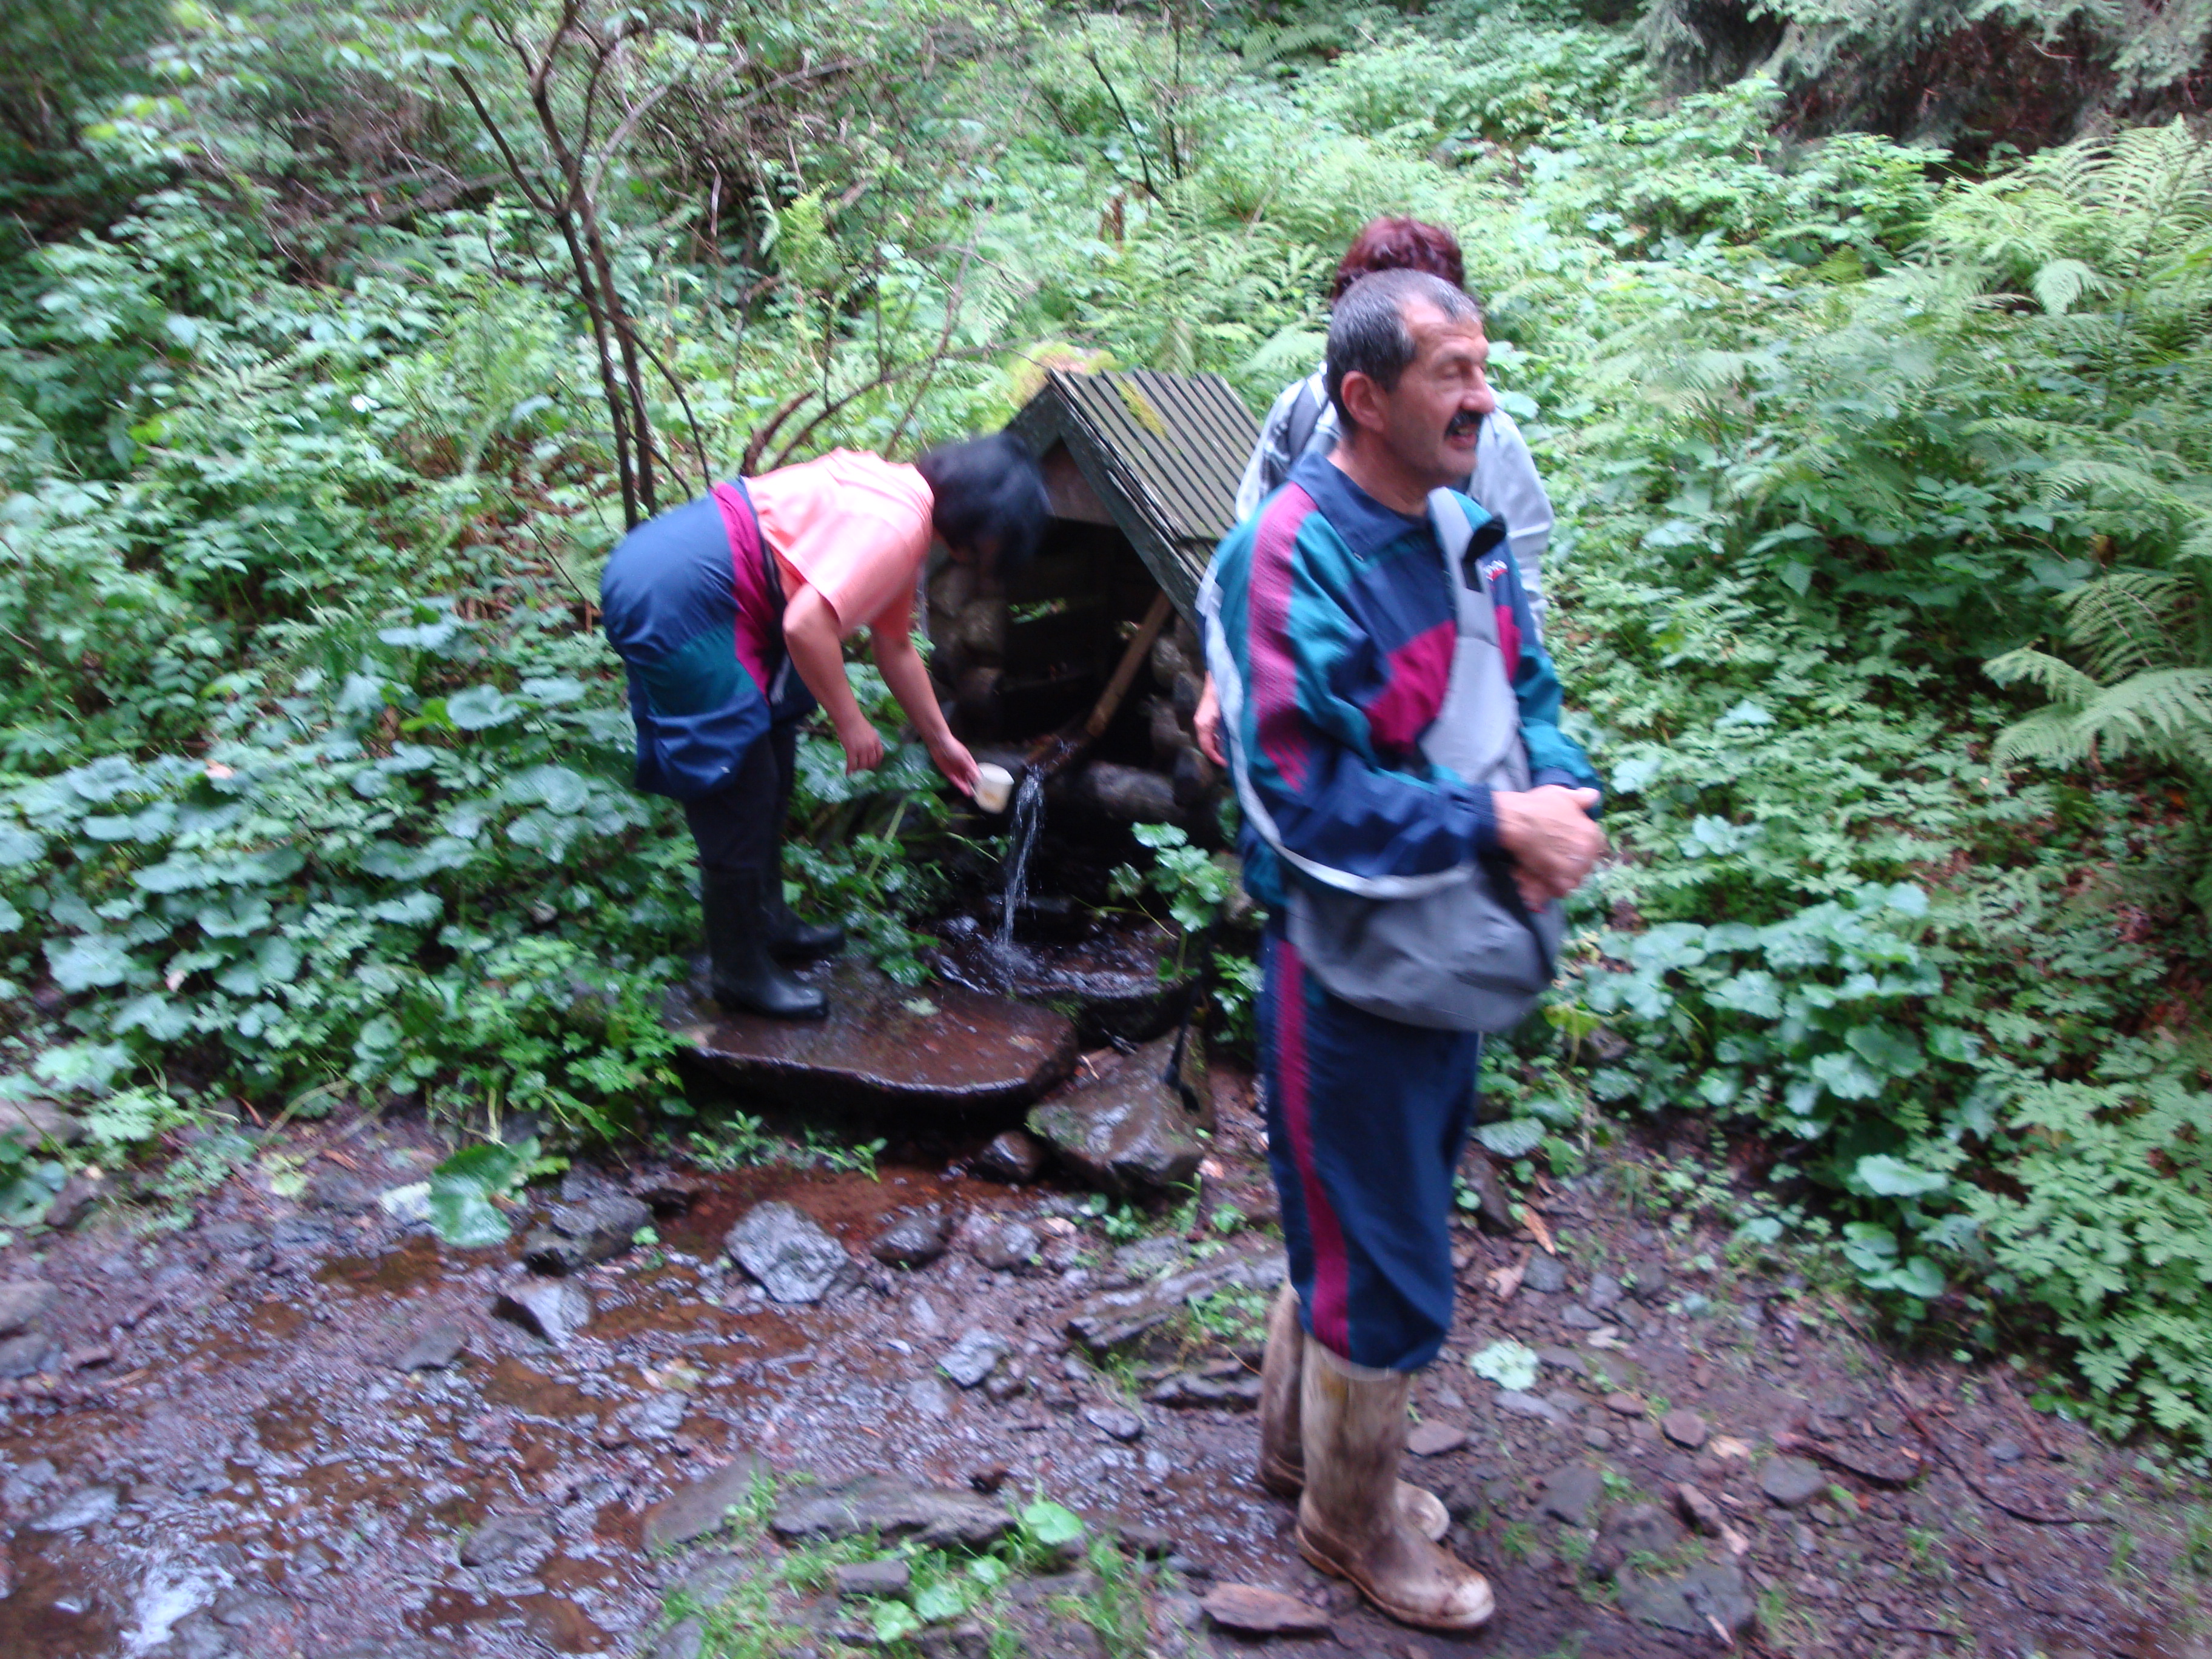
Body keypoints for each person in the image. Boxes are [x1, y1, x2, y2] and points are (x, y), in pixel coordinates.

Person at [1200, 269, 1606, 1631]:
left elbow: (1527, 685)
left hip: (1447, 949)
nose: (1483, 399)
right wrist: (1495, 824)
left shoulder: (1459, 527)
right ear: (1364, 399)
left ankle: (1295, 1457)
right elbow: (1299, 796)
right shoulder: (1286, 554)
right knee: (1382, 1252)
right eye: (1453, 374)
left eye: (1484, 367)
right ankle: (1352, 1526)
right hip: (1344, 970)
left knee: (1365, 1215)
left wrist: (1562, 789)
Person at [600, 435, 1046, 1020]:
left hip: (706, 586)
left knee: (775, 755)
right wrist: (851, 722)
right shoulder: (897, 525)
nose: (991, 553)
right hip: (680, 594)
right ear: (982, 518)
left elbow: (894, 645)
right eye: (999, 539)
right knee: (740, 779)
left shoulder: (900, 504)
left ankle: (769, 922)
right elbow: (806, 626)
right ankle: (737, 970)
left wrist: (941, 740)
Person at [1197, 215, 1553, 766]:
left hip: (1445, 706)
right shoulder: (1302, 409)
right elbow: (1250, 549)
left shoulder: (1486, 436)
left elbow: (1517, 584)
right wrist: (1223, 677)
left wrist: (1530, 749)